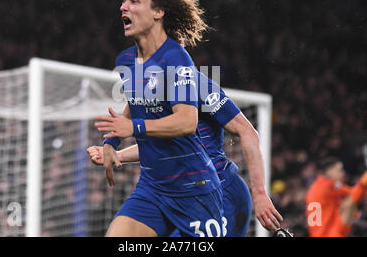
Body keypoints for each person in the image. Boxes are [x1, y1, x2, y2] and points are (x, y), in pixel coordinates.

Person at [92, 0, 224, 237]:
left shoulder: (176, 58)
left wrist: (133, 127)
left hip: (194, 189)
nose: (123, 7)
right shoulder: (126, 59)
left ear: (158, 12)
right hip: (152, 189)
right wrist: (111, 144)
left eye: (134, 1)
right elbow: (135, 104)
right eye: (123, 1)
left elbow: (187, 121)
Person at [89, 71, 284, 236]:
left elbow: (247, 131)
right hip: (168, 192)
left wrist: (259, 193)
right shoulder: (145, 86)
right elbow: (163, 145)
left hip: (218, 193)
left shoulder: (196, 84)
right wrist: (118, 154)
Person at [305, 156, 367, 237]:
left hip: (317, 234)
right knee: (350, 200)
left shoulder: (316, 188)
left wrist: (360, 215)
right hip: (330, 234)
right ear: (329, 171)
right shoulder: (328, 185)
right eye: (340, 170)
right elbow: (353, 194)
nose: (343, 173)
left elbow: (336, 208)